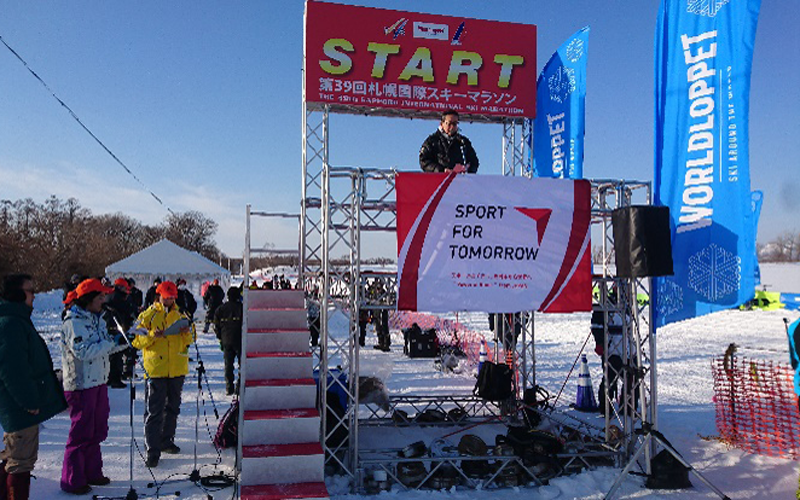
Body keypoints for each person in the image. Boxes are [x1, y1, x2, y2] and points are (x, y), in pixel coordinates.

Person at [0, 274, 68, 500]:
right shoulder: (10, 324)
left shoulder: (17, 320)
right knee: (20, 463)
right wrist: (29, 402)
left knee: (13, 457)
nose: (34, 296)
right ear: (18, 294)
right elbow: (13, 369)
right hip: (19, 408)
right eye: (30, 291)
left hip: (19, 406)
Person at [60, 278, 126, 494]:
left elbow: (104, 346)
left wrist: (123, 341)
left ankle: (92, 472)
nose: (103, 300)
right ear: (89, 299)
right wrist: (110, 343)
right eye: (100, 297)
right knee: (81, 432)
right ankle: (72, 479)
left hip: (98, 382)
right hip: (81, 385)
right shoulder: (74, 322)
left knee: (97, 430)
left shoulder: (96, 319)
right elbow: (84, 351)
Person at [131, 281, 195, 468]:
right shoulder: (147, 315)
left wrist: (185, 332)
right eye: (166, 297)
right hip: (156, 369)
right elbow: (135, 340)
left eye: (172, 297)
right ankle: (153, 449)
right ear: (159, 295)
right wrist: (151, 335)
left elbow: (192, 339)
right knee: (154, 410)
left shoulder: (181, 315)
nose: (169, 300)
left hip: (176, 369)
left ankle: (166, 440)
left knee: (173, 407)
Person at [419, 109, 479, 174]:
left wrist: (467, 169)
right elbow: (424, 161)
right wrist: (442, 170)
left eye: (455, 124)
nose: (452, 127)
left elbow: (474, 161)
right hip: (440, 181)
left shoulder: (463, 142)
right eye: (449, 123)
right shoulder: (432, 141)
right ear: (442, 124)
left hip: (459, 181)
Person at [103, 278, 136, 389]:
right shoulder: (116, 297)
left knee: (113, 355)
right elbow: (125, 310)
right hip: (114, 327)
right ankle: (115, 378)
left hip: (113, 326)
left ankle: (111, 377)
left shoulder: (111, 295)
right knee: (116, 354)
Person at [213, 287, 243, 395]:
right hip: (240, 340)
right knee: (242, 365)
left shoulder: (221, 309)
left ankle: (229, 386)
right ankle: (239, 386)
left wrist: (220, 337)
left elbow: (216, 325)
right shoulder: (242, 308)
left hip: (226, 340)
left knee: (228, 365)